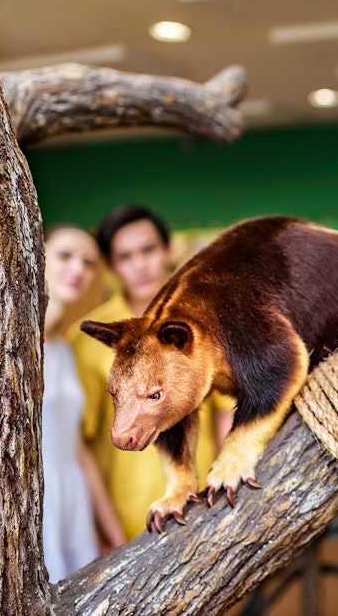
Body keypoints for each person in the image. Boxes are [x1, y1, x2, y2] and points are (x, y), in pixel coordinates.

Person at [69, 205, 234, 540]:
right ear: (112, 267)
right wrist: (103, 531)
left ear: (168, 250)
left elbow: (225, 413)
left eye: (148, 250)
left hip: (200, 502)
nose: (140, 265)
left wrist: (225, 492)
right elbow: (80, 445)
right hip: (125, 516)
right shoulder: (89, 339)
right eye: (125, 257)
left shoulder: (204, 325)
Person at [41, 224, 126, 582]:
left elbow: (77, 450)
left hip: (71, 499)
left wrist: (117, 537)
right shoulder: (8, 346)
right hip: (36, 500)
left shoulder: (62, 349)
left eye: (89, 262)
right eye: (65, 256)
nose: (78, 269)